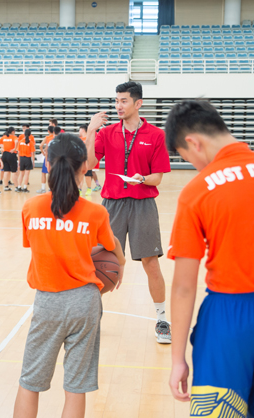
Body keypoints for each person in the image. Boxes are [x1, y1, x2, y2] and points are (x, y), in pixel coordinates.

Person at [165, 101, 254, 418]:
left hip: (230, 313)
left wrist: (177, 360)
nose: (194, 166)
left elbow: (184, 287)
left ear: (193, 143)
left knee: (219, 414)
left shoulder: (197, 190)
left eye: (187, 159)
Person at [13, 133, 125, 418]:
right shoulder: (96, 212)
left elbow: (34, 245)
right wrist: (119, 267)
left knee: (30, 382)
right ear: (84, 168)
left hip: (47, 302)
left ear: (47, 165)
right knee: (76, 386)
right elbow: (114, 251)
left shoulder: (31, 208)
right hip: (84, 303)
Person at [85, 81, 172, 343]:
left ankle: (161, 319)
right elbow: (90, 163)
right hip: (111, 204)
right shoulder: (107, 132)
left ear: (138, 103)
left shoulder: (156, 135)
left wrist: (141, 179)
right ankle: (90, 317)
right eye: (116, 101)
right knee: (98, 261)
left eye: (124, 101)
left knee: (151, 263)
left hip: (143, 203)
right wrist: (91, 131)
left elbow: (157, 178)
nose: (118, 106)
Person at [36, 126, 54, 194]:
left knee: (44, 173)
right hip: (54, 156)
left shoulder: (47, 138)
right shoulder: (55, 137)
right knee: (51, 173)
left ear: (48, 131)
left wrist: (43, 152)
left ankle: (43, 188)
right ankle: (50, 188)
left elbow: (40, 145)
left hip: (47, 156)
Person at [78, 125, 94, 197]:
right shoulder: (79, 139)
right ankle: (79, 189)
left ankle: (89, 188)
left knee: (87, 175)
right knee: (80, 175)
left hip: (87, 160)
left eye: (79, 130)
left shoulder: (89, 138)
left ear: (83, 130)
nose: (79, 131)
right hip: (79, 159)